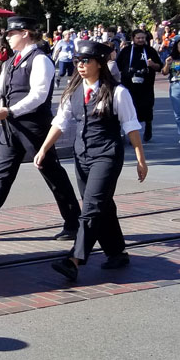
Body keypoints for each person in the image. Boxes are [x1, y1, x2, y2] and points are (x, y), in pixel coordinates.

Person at [34, 41, 147, 283]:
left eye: (86, 61)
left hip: (107, 154)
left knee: (91, 208)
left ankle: (74, 260)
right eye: (77, 61)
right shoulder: (73, 91)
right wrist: (44, 149)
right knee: (101, 204)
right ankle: (117, 252)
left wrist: (140, 159)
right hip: (82, 155)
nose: (81, 66)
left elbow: (131, 126)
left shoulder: (117, 92)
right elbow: (60, 123)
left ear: (99, 63)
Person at [0, 16, 81, 242]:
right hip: (10, 126)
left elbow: (39, 95)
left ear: (25, 33)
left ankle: (74, 222)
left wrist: (11, 111)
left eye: (11, 34)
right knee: (1, 174)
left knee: (51, 171)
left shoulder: (40, 60)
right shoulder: (11, 61)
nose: (8, 38)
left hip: (34, 126)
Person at [116, 30, 161, 142]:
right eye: (138, 38)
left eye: (143, 38)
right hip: (129, 86)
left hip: (146, 86)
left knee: (147, 108)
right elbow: (118, 67)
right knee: (130, 110)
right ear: (133, 38)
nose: (141, 40)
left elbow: (159, 67)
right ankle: (132, 135)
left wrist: (152, 65)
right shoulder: (126, 51)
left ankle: (148, 127)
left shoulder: (150, 51)